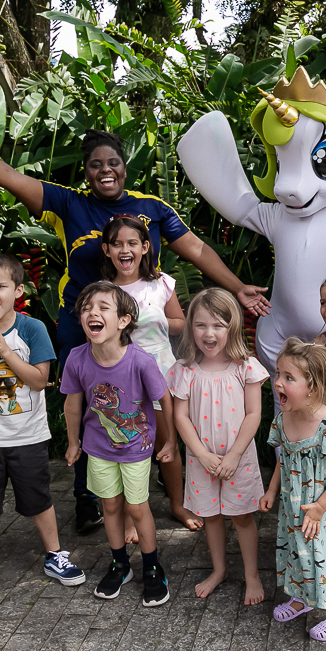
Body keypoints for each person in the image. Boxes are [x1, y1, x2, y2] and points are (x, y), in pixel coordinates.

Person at [0, 119, 269, 533]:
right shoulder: (69, 203)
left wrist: (237, 287)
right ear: (86, 172)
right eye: (95, 164)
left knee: (154, 416)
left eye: (113, 162)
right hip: (82, 325)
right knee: (94, 411)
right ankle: (88, 498)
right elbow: (9, 176)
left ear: (125, 168)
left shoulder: (151, 208)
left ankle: (164, 497)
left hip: (144, 336)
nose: (105, 170)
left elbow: (196, 249)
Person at [0, 254, 85, 604]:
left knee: (38, 498)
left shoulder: (32, 329)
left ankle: (54, 555)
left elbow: (40, 380)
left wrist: (6, 353)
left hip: (28, 436)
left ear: (18, 290)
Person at [62, 281, 173, 605]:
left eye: (102, 308)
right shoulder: (77, 358)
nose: (92, 313)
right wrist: (73, 442)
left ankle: (152, 568)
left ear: (123, 320)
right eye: (86, 308)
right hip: (98, 448)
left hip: (136, 448)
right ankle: (120, 563)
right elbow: (72, 404)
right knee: (109, 505)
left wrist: (171, 444)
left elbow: (164, 401)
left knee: (137, 508)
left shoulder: (140, 360)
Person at [169, 288, 268, 605]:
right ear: (190, 327)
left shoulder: (245, 367)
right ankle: (219, 570)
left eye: (218, 325)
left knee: (241, 517)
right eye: (200, 325)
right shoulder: (185, 369)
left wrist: (235, 455)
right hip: (202, 460)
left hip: (239, 458)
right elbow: (180, 417)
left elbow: (254, 413)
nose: (209, 333)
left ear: (232, 327)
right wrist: (201, 455)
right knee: (210, 516)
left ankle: (252, 575)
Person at [99, 214, 197, 533]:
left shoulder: (161, 283)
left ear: (144, 247)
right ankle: (130, 517)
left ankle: (178, 505)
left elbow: (181, 324)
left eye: (132, 243)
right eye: (117, 244)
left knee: (167, 445)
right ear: (107, 250)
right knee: (128, 448)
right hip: (121, 381)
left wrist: (153, 320)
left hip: (161, 375)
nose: (125, 250)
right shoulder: (105, 291)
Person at [262, 339, 326, 641]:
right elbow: (283, 459)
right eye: (279, 374)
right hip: (294, 504)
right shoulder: (283, 419)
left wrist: (319, 508)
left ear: (313, 388)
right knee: (297, 551)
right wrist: (271, 491)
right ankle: (302, 597)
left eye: (289, 378)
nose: (278, 382)